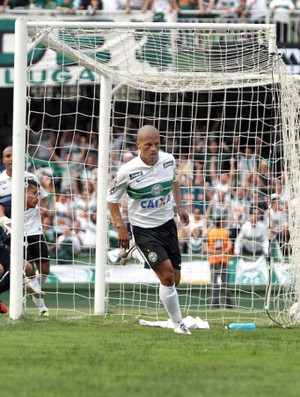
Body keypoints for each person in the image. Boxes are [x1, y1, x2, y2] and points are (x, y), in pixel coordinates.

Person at [107, 125, 191, 335]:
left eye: (157, 144)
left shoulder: (169, 160)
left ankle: (136, 252)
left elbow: (174, 181)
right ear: (138, 146)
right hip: (144, 230)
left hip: (167, 225)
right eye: (148, 145)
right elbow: (111, 200)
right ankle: (178, 324)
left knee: (175, 280)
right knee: (167, 276)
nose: (153, 149)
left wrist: (180, 207)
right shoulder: (127, 171)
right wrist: (121, 226)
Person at [0, 147, 50, 316]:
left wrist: (43, 207)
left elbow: (44, 197)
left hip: (34, 228)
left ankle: (34, 290)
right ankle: (42, 307)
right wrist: (4, 220)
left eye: (15, 155)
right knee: (25, 268)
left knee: (44, 268)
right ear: (3, 160)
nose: (12, 159)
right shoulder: (1, 182)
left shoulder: (31, 177)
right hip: (14, 233)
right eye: (8, 156)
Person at [205, 217, 233, 308]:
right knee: (225, 283)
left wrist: (215, 253)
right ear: (221, 223)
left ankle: (215, 304)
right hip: (223, 260)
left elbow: (206, 248)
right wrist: (222, 252)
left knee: (214, 283)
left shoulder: (210, 233)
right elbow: (229, 245)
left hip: (213, 260)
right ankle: (228, 304)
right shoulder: (226, 233)